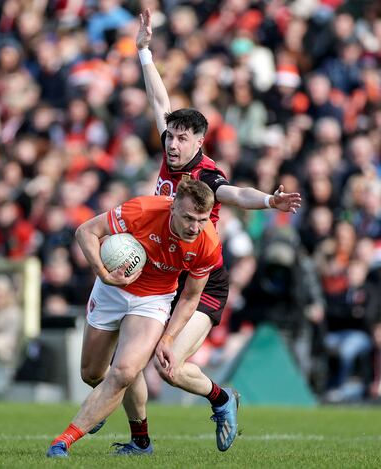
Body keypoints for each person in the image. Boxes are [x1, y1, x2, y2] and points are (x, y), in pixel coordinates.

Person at [100, 8, 302, 456]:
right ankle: (140, 443)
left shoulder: (206, 176)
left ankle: (223, 398)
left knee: (169, 365)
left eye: (181, 139)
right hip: (163, 275)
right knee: (126, 365)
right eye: (169, 137)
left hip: (203, 281)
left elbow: (235, 193)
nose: (172, 144)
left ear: (198, 143)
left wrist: (269, 200)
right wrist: (145, 52)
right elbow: (158, 101)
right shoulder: (168, 150)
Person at [46, 179, 226, 458]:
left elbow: (190, 297)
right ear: (173, 207)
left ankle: (63, 441)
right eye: (188, 218)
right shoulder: (142, 210)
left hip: (153, 301)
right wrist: (105, 275)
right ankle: (112, 409)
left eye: (202, 220)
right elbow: (86, 232)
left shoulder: (208, 242)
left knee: (125, 372)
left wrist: (168, 337)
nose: (194, 227)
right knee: (93, 374)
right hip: (111, 290)